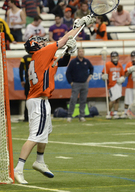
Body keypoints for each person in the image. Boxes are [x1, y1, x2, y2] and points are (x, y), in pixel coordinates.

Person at [13, 14, 94, 184]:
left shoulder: (41, 59)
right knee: (35, 136)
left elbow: (62, 61)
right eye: (40, 41)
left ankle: (40, 161)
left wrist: (70, 51)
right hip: (38, 101)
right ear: (36, 46)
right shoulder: (42, 53)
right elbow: (64, 39)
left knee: (44, 133)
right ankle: (18, 169)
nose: (43, 42)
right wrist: (79, 25)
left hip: (40, 100)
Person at [66, 48, 93, 122]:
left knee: (83, 100)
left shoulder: (86, 61)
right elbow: (68, 72)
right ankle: (70, 115)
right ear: (77, 53)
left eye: (82, 51)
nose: (81, 53)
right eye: (80, 51)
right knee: (73, 100)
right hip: (76, 83)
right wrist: (71, 82)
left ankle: (81, 116)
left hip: (84, 83)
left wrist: (90, 76)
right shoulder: (73, 62)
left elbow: (91, 68)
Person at [101, 51, 125, 119]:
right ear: (111, 57)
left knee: (117, 99)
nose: (115, 58)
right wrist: (104, 76)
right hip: (111, 85)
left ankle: (115, 113)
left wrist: (122, 79)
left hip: (118, 84)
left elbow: (122, 75)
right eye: (113, 57)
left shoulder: (120, 65)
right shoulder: (108, 64)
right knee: (113, 100)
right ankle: (108, 112)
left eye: (116, 57)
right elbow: (103, 73)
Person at [19, 53, 32, 122]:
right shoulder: (38, 56)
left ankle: (26, 117)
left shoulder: (25, 58)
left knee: (28, 99)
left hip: (28, 81)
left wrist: (22, 80)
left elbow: (21, 69)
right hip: (37, 82)